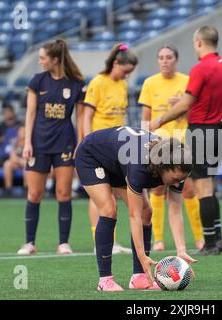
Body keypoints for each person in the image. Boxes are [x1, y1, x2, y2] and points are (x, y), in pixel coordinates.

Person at [75, 126, 195, 291]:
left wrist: (181, 250)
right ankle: (105, 280)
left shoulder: (179, 168)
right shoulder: (140, 167)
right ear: (162, 167)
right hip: (92, 156)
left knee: (148, 211)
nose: (177, 183)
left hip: (118, 161)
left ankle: (139, 277)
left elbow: (175, 210)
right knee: (109, 210)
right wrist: (141, 255)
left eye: (180, 179)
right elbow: (134, 215)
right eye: (174, 179)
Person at [150, 26, 222, 255]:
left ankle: (209, 243)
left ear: (198, 42)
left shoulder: (200, 68)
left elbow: (186, 104)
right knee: (211, 186)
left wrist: (158, 121)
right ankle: (217, 238)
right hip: (220, 129)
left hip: (200, 130)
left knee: (202, 187)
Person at [17, 39, 86, 255]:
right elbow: (29, 114)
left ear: (55, 59)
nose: (39, 61)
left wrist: (82, 143)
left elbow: (82, 117)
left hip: (65, 143)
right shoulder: (37, 81)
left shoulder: (75, 83)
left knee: (64, 193)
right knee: (35, 193)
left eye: (42, 58)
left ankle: (63, 243)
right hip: (39, 144)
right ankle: (29, 243)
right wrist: (27, 143)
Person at [139, 45, 204, 252]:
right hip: (158, 143)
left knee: (188, 189)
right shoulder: (150, 83)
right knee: (157, 188)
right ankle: (158, 239)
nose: (164, 61)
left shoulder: (187, 82)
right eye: (161, 57)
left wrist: (183, 107)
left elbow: (195, 114)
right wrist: (143, 140)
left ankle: (199, 237)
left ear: (176, 60)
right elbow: (145, 117)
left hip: (182, 142)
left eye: (168, 57)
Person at [83, 43, 138, 254]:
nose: (126, 76)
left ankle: (111, 242)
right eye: (125, 71)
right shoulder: (98, 83)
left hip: (117, 145)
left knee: (114, 195)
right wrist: (87, 143)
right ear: (116, 63)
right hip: (98, 146)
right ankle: (100, 243)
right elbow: (86, 116)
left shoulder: (122, 86)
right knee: (98, 195)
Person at [3, 125, 26, 195]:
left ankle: (26, 189)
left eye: (24, 131)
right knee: (7, 164)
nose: (22, 133)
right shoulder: (14, 141)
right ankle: (8, 189)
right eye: (20, 131)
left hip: (27, 162)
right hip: (17, 162)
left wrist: (23, 161)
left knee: (27, 165)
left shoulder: (30, 141)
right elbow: (12, 155)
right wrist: (19, 160)